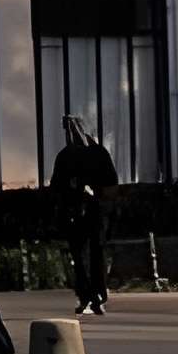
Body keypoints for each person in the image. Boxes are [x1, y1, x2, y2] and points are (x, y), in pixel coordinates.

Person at [49, 112, 121, 316]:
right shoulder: (98, 153)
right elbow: (111, 185)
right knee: (94, 254)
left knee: (81, 257)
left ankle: (88, 295)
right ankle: (96, 294)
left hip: (77, 212)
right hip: (91, 211)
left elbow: (55, 187)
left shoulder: (66, 155)